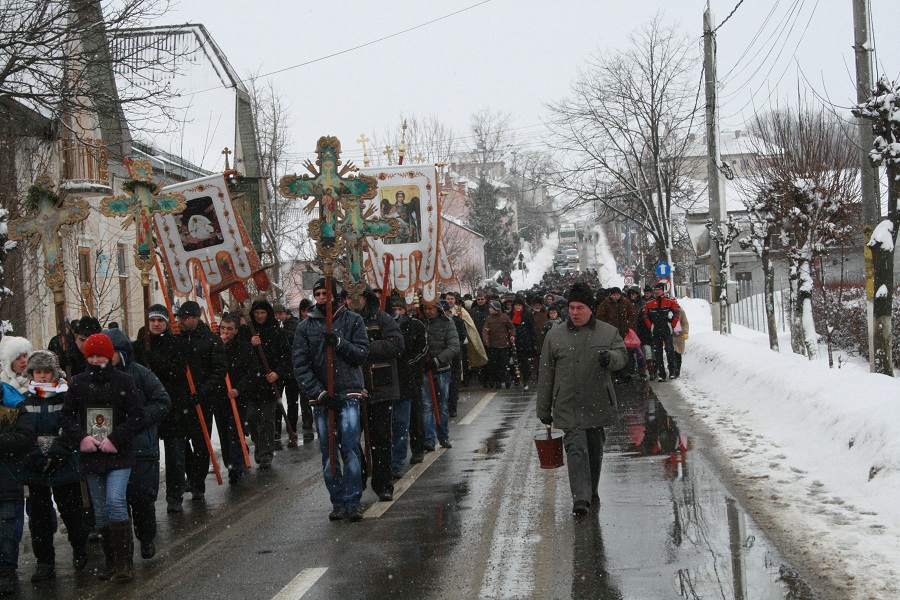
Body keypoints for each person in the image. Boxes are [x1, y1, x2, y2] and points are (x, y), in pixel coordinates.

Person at [536, 283, 627, 516]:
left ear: (591, 309)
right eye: (572, 307)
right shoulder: (554, 335)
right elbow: (546, 374)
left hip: (597, 402)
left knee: (595, 450)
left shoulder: (607, 332)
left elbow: (622, 356)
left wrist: (611, 358)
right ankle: (581, 499)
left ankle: (591, 490)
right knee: (576, 449)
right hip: (567, 404)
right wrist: (544, 408)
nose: (575, 313)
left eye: (580, 308)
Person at [59, 334, 145, 581]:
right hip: (91, 456)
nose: (96, 360)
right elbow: (66, 417)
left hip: (118, 453)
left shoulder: (124, 381)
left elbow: (137, 415)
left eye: (101, 356)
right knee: (100, 511)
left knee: (116, 501)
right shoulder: (78, 383)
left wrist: (115, 439)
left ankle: (125, 562)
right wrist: (82, 439)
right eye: (92, 356)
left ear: (110, 356)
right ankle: (111, 561)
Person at [293, 279, 369, 522]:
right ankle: (337, 500)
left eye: (326, 292)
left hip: (348, 393)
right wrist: (320, 393)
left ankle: (353, 499)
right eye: (318, 293)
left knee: (350, 447)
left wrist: (338, 343)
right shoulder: (304, 327)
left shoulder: (353, 320)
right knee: (328, 451)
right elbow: (301, 365)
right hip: (323, 398)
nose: (322, 297)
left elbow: (361, 354)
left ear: (334, 294)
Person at [104, 329, 171, 563]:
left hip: (142, 449)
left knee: (142, 497)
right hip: (113, 450)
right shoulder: (96, 378)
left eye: (110, 352)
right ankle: (124, 549)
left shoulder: (141, 374)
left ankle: (146, 538)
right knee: (116, 501)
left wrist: (140, 418)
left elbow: (163, 401)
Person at [21, 351, 88, 583]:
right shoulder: (25, 400)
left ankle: (80, 550)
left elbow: (72, 426)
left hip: (64, 462)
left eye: (45, 372)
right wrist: (35, 456)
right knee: (38, 517)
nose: (41, 376)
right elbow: (22, 433)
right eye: (37, 372)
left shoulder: (66, 397)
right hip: (35, 465)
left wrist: (58, 453)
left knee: (72, 512)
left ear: (54, 373)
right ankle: (45, 562)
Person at [133, 304, 192, 514]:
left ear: (166, 322)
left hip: (173, 406)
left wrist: (155, 360)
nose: (156, 324)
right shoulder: (139, 346)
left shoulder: (176, 344)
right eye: (152, 321)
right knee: (150, 457)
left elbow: (177, 372)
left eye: (160, 320)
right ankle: (148, 495)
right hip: (148, 408)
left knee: (175, 455)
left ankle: (175, 495)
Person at [356, 288, 404, 501]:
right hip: (353, 387)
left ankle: (383, 484)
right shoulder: (344, 320)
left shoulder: (382, 318)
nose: (352, 301)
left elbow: (395, 344)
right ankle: (358, 478)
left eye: (356, 297)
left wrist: (364, 348)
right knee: (349, 439)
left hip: (380, 387)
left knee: (381, 439)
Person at [175, 301, 227, 497]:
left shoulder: (211, 341)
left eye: (186, 318)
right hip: (181, 398)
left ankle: (198, 482)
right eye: (180, 318)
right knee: (181, 440)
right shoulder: (177, 340)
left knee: (201, 441)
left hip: (203, 400)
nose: (182, 322)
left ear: (196, 319)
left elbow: (219, 370)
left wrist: (202, 392)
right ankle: (191, 474)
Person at [238, 300, 292, 466]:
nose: (260, 316)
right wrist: (250, 344)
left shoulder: (277, 331)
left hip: (270, 382)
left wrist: (277, 373)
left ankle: (266, 454)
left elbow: (286, 357)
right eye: (257, 313)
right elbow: (239, 354)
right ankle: (259, 444)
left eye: (263, 313)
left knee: (267, 419)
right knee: (252, 417)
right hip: (252, 381)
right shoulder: (247, 331)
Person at [0, 377, 35, 595]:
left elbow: (26, 436)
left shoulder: (13, 401)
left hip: (8, 477)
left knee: (7, 530)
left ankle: (6, 571)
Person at [390, 296, 428, 473]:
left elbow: (422, 349)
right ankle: (394, 457)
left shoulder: (416, 325)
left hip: (411, 375)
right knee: (396, 419)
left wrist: (408, 362)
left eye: (400, 309)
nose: (398, 312)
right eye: (395, 309)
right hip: (392, 376)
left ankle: (417, 448)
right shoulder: (387, 326)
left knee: (415, 414)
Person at [217, 315, 255, 484]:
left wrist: (239, 389)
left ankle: (236, 467)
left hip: (239, 397)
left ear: (236, 331)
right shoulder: (216, 347)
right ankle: (229, 462)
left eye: (229, 329)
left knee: (234, 431)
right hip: (220, 397)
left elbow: (252, 372)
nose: (225, 332)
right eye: (223, 328)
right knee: (224, 433)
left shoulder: (244, 349)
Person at [421, 302, 460, 451]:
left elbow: (454, 346)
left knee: (442, 405)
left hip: (442, 370)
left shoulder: (447, 323)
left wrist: (437, 360)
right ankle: (429, 439)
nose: (428, 312)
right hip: (425, 370)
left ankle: (443, 436)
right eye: (425, 309)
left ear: (438, 309)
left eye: (431, 309)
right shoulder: (420, 323)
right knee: (427, 406)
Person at [274, 303, 307, 438]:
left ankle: (291, 428)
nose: (278, 316)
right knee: (277, 400)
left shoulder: (293, 326)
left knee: (292, 402)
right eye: (275, 314)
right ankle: (277, 428)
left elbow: (295, 344)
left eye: (279, 313)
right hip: (279, 370)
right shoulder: (274, 328)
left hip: (292, 370)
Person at [642, 283, 681, 382]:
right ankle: (661, 374)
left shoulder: (669, 302)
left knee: (669, 351)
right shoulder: (650, 303)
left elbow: (676, 313)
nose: (657, 291)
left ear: (663, 291)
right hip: (656, 331)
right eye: (656, 290)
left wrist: (672, 324)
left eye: (659, 289)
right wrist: (651, 326)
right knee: (658, 353)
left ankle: (672, 371)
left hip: (667, 330)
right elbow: (645, 316)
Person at [482, 300, 515, 389]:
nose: (489, 309)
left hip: (504, 345)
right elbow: (485, 330)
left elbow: (511, 328)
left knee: (504, 364)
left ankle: (507, 380)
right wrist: (486, 340)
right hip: (493, 345)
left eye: (491, 308)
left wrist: (512, 335)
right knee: (494, 365)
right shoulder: (489, 319)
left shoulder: (505, 317)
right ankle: (497, 381)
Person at [443, 301, 467, 415]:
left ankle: (452, 407)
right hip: (441, 357)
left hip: (453, 356)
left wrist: (453, 347)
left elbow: (462, 336)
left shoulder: (456, 320)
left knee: (453, 382)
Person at [510, 298, 536, 390]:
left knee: (525, 363)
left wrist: (532, 342)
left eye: (519, 305)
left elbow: (532, 329)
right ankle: (516, 378)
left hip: (525, 343)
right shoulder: (510, 315)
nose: (517, 307)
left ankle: (525, 379)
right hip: (513, 342)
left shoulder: (527, 315)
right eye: (516, 305)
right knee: (514, 363)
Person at [0, 336, 31, 404]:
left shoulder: (38, 378)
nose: (23, 361)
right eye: (17, 358)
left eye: (25, 356)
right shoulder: (3, 386)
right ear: (9, 364)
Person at [672, 304, 689, 379]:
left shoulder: (681, 312)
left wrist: (685, 332)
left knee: (678, 353)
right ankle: (672, 370)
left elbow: (685, 323)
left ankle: (677, 370)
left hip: (680, 336)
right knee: (671, 354)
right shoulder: (667, 311)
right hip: (670, 336)